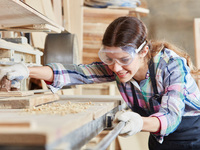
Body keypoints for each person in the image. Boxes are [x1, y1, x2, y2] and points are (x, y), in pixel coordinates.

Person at [1, 16, 200, 150]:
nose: (116, 68)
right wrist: (27, 70)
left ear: (143, 52)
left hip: (191, 135)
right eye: (109, 59)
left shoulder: (172, 65)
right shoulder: (117, 65)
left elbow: (172, 117)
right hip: (158, 139)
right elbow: (76, 73)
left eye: (124, 60)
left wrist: (140, 122)